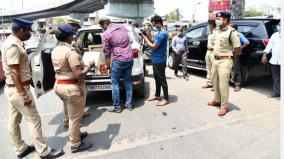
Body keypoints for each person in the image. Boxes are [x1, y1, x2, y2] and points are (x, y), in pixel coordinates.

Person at [2, 18, 64, 159]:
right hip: (19, 90)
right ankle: (44, 151)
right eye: (28, 30)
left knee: (14, 121)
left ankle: (20, 148)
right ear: (22, 30)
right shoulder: (13, 45)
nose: (30, 33)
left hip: (12, 89)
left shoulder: (12, 42)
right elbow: (14, 71)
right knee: (34, 119)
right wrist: (23, 94)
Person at [51, 24, 94, 153]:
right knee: (75, 118)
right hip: (71, 87)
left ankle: (77, 134)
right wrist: (89, 67)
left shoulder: (55, 50)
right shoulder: (70, 52)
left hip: (60, 85)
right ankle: (75, 144)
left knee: (72, 114)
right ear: (69, 36)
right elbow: (78, 74)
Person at [208, 12, 241, 116]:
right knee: (214, 81)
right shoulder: (216, 31)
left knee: (223, 84)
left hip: (225, 61)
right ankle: (216, 100)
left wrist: (230, 59)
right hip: (215, 60)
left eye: (218, 18)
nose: (216, 20)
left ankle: (224, 106)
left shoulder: (232, 32)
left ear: (225, 20)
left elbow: (237, 49)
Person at [99, 17, 134, 113]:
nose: (102, 28)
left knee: (115, 83)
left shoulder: (105, 34)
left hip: (118, 60)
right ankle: (129, 104)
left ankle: (117, 107)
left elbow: (106, 53)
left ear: (104, 24)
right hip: (129, 58)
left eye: (102, 26)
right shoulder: (122, 27)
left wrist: (108, 67)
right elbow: (130, 40)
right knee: (127, 81)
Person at [64, 18, 90, 128]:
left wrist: (84, 50)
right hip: (73, 74)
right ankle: (71, 123)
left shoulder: (71, 39)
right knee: (72, 99)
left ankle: (76, 115)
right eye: (74, 28)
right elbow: (73, 56)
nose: (75, 30)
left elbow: (79, 51)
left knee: (75, 98)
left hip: (74, 72)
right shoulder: (67, 42)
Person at [141, 15, 170, 106]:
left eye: (154, 24)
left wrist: (144, 38)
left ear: (158, 22)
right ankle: (157, 95)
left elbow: (153, 46)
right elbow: (154, 41)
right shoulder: (160, 32)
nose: (153, 26)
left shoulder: (162, 33)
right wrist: (146, 35)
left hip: (159, 60)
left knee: (162, 79)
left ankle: (166, 98)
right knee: (157, 78)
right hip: (156, 59)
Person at [262, 27, 281, 98]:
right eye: (280, 25)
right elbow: (269, 46)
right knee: (276, 77)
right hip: (274, 60)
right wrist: (264, 55)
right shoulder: (274, 35)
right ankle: (277, 92)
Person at [230, 23, 250, 92]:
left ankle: (237, 85)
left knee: (236, 69)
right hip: (228, 54)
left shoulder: (239, 34)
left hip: (235, 54)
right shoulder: (228, 34)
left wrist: (239, 49)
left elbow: (247, 42)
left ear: (234, 28)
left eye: (230, 27)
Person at [202, 20, 217, 89]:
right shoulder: (210, 33)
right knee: (208, 68)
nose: (208, 26)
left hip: (214, 52)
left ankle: (215, 84)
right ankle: (209, 83)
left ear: (212, 24)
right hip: (208, 51)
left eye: (209, 24)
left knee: (214, 69)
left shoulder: (217, 32)